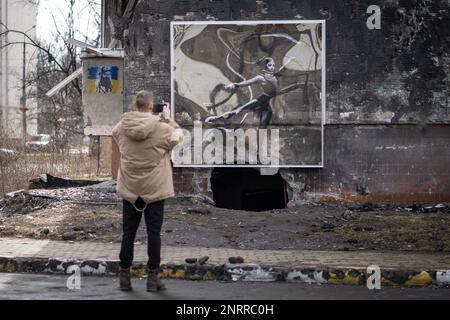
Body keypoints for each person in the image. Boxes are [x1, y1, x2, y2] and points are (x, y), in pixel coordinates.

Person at [112, 90, 184, 292]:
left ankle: (124, 277)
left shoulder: (122, 126)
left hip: (130, 188)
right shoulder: (162, 127)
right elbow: (179, 137)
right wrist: (168, 120)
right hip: (155, 187)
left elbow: (116, 135)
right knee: (154, 234)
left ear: (135, 105)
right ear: (152, 107)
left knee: (128, 233)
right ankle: (152, 279)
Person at [205, 57, 294, 128]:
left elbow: (280, 72)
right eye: (270, 65)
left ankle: (259, 147)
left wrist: (289, 61)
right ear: (266, 66)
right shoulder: (261, 78)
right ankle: (216, 118)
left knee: (264, 125)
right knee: (237, 111)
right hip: (259, 101)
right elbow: (247, 82)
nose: (273, 67)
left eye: (274, 65)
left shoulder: (273, 77)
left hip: (266, 105)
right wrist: (235, 84)